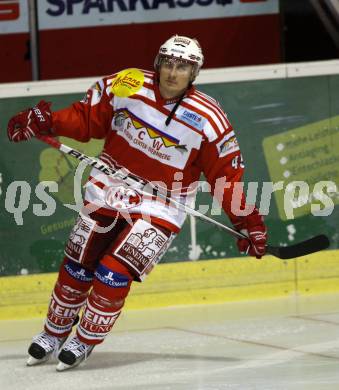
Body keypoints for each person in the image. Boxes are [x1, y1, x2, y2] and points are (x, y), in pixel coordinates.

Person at [7, 35, 267, 371]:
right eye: (169, 64)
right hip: (108, 188)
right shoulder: (127, 84)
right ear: (158, 64)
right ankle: (53, 332)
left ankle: (85, 339)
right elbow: (87, 119)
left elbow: (225, 180)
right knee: (77, 265)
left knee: (112, 274)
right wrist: (46, 121)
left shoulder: (209, 119)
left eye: (183, 67)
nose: (173, 73)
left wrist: (249, 223)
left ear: (194, 72)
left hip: (162, 203)